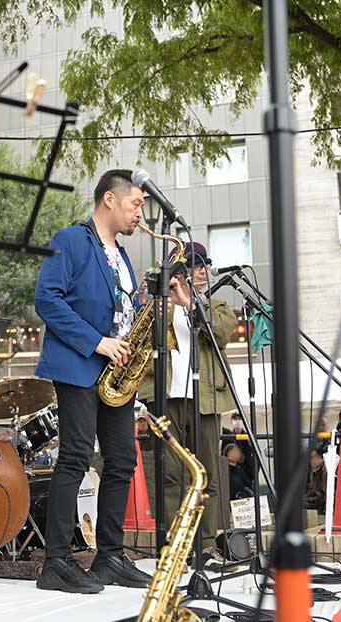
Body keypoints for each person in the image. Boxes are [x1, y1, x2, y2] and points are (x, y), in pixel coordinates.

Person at [33, 169, 151, 594]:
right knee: (76, 456)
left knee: (122, 460)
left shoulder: (121, 256)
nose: (141, 212)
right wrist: (98, 343)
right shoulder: (69, 240)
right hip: (81, 363)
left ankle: (110, 556)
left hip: (116, 372)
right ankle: (57, 562)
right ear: (109, 200)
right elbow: (45, 298)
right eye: (136, 203)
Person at [138, 241, 238, 547]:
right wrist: (161, 298)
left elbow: (221, 332)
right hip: (165, 399)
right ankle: (174, 543)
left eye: (201, 266)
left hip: (205, 400)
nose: (197, 271)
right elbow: (140, 338)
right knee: (171, 475)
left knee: (206, 473)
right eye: (188, 267)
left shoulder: (215, 307)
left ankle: (206, 544)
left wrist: (190, 303)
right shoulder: (156, 306)